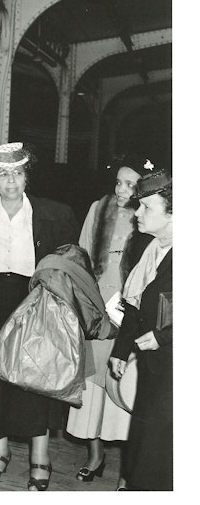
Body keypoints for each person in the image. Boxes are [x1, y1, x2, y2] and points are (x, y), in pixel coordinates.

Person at [0, 142, 78, 491]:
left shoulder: (55, 214)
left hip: (33, 300)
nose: (11, 181)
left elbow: (68, 267)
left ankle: (40, 456)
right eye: (3, 175)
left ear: (26, 175)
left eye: (17, 173)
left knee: (35, 379)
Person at [65, 154, 155, 488]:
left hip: (130, 314)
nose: (121, 189)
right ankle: (95, 455)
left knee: (123, 388)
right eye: (118, 181)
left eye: (130, 184)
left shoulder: (149, 218)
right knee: (92, 384)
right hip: (96, 310)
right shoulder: (97, 208)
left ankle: (127, 471)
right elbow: (82, 255)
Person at [110, 170, 172, 491]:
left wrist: (164, 336)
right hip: (151, 369)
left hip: (177, 373)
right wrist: (121, 351)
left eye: (147, 207)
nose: (137, 213)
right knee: (143, 443)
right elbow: (134, 304)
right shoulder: (151, 247)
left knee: (162, 453)